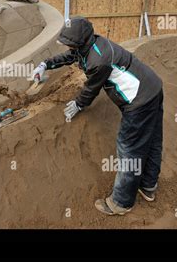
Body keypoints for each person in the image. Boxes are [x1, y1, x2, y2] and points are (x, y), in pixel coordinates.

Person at [32, 17, 163, 215]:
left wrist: (78, 104)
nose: (66, 45)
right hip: (152, 87)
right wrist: (45, 64)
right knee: (152, 139)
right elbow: (72, 56)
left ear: (79, 42)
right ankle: (148, 186)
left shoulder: (98, 60)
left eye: (68, 43)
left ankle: (122, 202)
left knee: (129, 148)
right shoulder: (92, 43)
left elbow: (91, 88)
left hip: (139, 101)